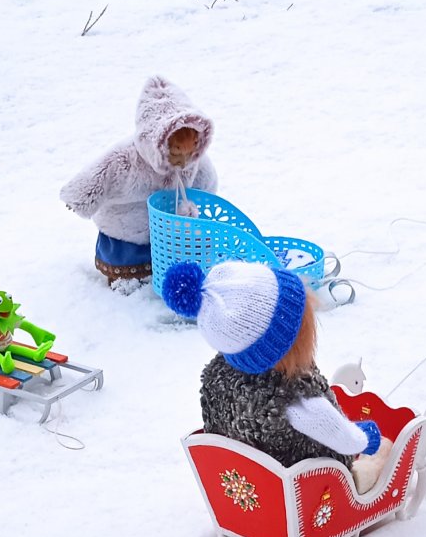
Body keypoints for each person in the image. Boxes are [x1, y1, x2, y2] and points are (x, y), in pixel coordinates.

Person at [162, 260, 389, 482]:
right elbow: (339, 435)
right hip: (312, 483)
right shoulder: (292, 397)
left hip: (249, 481)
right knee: (384, 451)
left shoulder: (221, 380)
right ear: (286, 344)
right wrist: (364, 438)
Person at [60, 75, 217, 286]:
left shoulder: (196, 163)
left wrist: (198, 206)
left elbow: (207, 182)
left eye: (189, 153)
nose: (183, 161)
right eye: (176, 153)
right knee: (127, 260)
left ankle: (167, 270)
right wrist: (80, 197)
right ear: (156, 141)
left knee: (181, 253)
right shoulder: (126, 159)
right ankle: (124, 279)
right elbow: (99, 174)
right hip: (128, 226)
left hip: (169, 231)